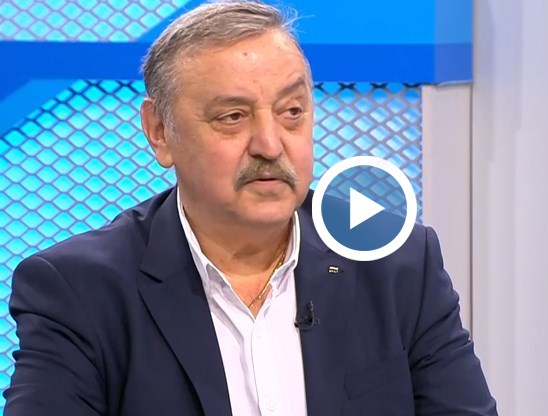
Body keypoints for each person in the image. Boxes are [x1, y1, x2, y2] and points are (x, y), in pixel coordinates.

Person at [3, 1, 498, 415]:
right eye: (233, 117)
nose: (270, 144)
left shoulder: (395, 261)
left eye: (292, 112)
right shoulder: (79, 290)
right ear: (160, 132)